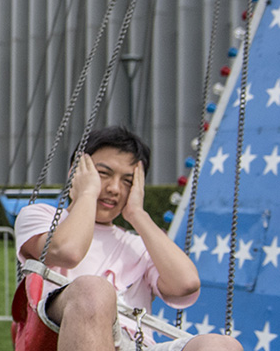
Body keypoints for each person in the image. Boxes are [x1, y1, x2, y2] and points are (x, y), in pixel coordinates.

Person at [14, 126, 242, 351]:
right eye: (103, 174)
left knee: (222, 345)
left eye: (127, 181)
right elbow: (68, 251)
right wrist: (86, 193)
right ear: (77, 171)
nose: (114, 188)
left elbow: (186, 285)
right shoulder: (43, 217)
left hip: (133, 343)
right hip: (58, 330)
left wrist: (137, 215)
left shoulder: (139, 245)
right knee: (94, 290)